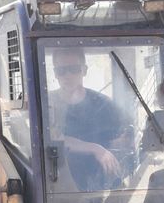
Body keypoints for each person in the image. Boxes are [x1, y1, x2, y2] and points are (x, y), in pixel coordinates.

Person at [45, 47, 125, 190]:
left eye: (74, 69)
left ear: (85, 70)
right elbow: (53, 138)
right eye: (61, 71)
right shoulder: (46, 103)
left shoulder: (103, 103)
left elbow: (115, 141)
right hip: (56, 182)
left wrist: (128, 140)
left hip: (98, 183)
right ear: (55, 73)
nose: (67, 75)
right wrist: (95, 148)